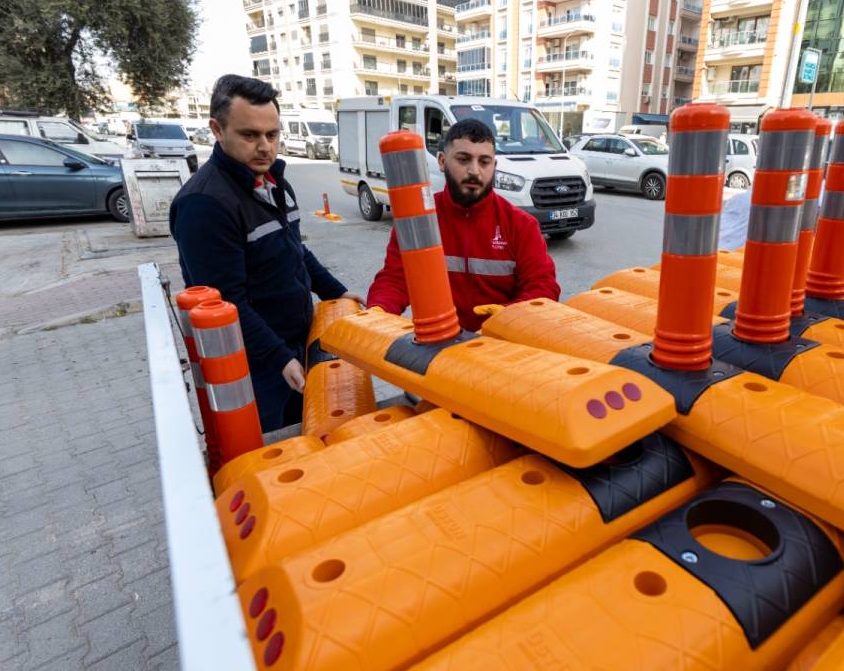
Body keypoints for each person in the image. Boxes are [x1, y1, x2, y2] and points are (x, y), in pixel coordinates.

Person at [170, 74, 361, 432]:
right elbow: (225, 303)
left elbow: (294, 250)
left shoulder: (273, 182)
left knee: (306, 437)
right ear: (217, 129)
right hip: (252, 367)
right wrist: (278, 358)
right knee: (270, 447)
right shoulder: (205, 204)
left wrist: (336, 291)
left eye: (272, 135)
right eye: (250, 135)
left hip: (293, 346)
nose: (265, 147)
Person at [366, 118, 560, 331]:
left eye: (484, 162)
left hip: (502, 343)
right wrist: (379, 311)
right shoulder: (418, 221)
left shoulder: (521, 225)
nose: (474, 171)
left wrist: (506, 317)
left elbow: (543, 288)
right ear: (442, 161)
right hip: (439, 341)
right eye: (463, 159)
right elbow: (396, 279)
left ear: (494, 166)